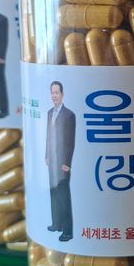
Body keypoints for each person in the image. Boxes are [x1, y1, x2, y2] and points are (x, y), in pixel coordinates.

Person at [46, 81, 76, 242]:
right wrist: (46, 155)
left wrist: (67, 163)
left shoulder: (69, 115)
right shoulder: (49, 113)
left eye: (57, 92)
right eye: (52, 92)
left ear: (62, 95)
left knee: (63, 195)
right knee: (53, 191)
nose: (54, 95)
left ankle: (67, 231)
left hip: (62, 162)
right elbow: (48, 136)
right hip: (52, 160)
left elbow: (70, 141)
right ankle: (56, 223)